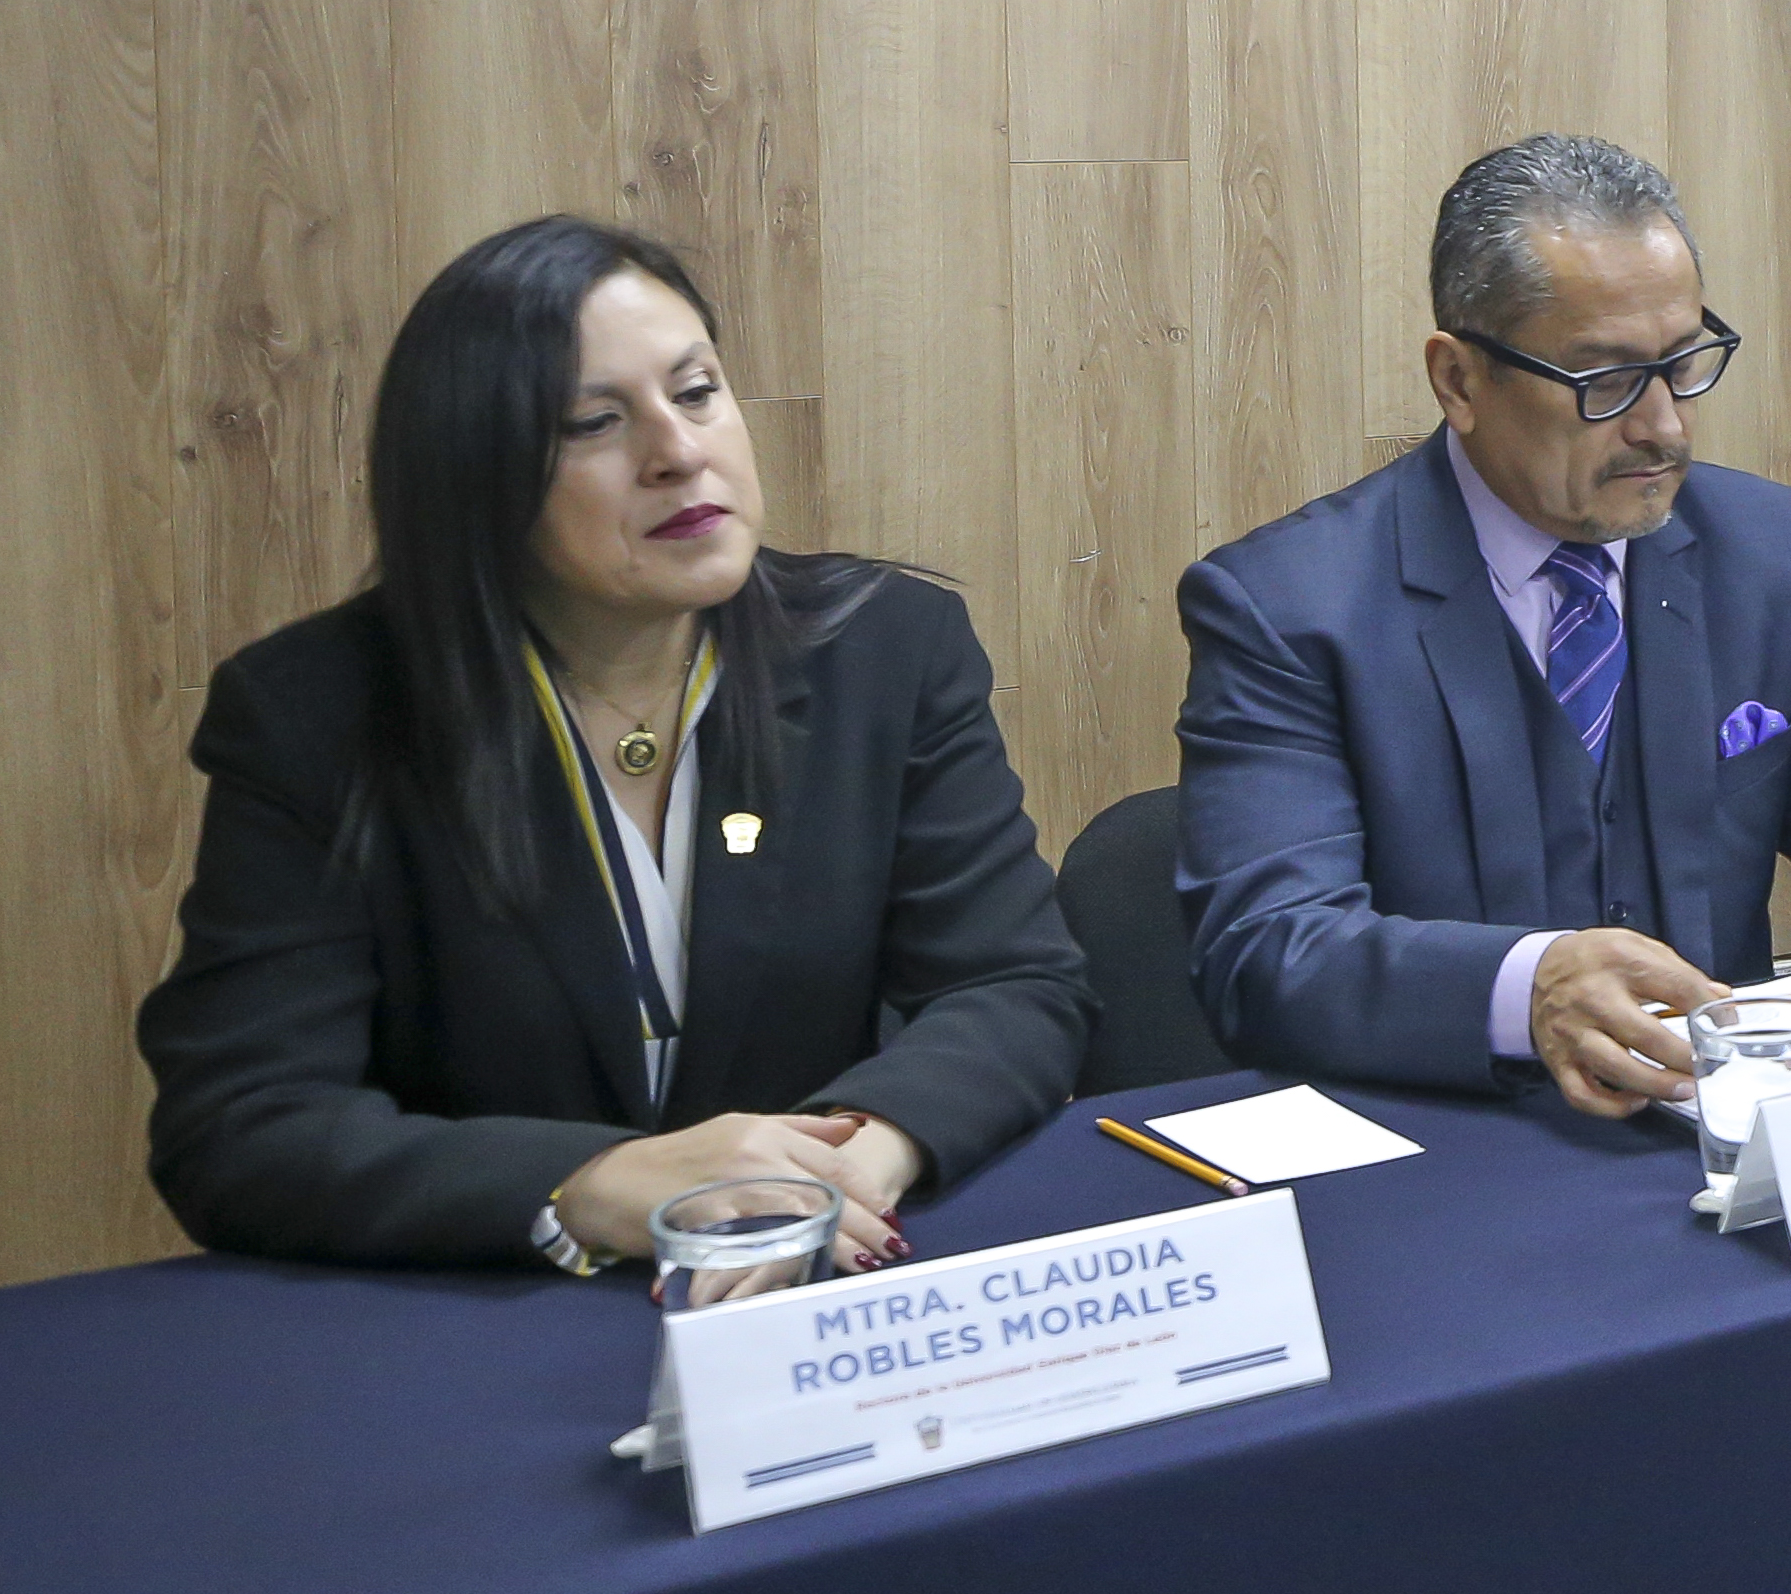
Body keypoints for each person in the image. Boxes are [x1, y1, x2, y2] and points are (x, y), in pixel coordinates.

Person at [139, 221, 1089, 1275]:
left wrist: (855, 1156)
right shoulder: (316, 714)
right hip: (480, 1311)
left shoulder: (885, 650)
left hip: (811, 1276)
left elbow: (1014, 987)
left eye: (696, 393)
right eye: (595, 423)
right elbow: (239, 1124)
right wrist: (580, 1186)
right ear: (474, 478)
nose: (678, 453)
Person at [1177, 135, 1791, 1114]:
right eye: (1604, 382)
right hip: (1441, 1138)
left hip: (1716, 1123)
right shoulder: (1289, 606)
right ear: (1459, 381)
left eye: (1685, 363)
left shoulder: (1776, 551)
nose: (1666, 427)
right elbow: (1270, 949)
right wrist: (1525, 991)